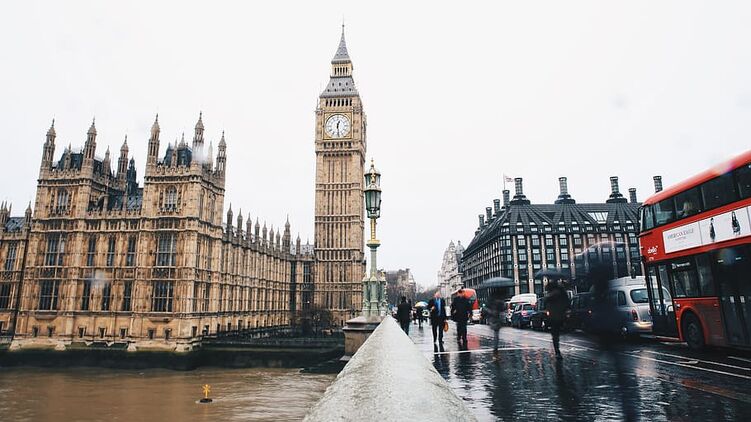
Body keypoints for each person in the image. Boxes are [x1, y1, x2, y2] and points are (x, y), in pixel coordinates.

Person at [544, 279, 570, 359]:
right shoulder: (562, 292)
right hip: (560, 314)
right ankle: (558, 351)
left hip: (554, 315)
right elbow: (567, 302)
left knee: (555, 335)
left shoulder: (550, 295)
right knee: (557, 333)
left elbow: (546, 302)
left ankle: (557, 351)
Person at [482, 291, 505, 359]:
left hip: (495, 319)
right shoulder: (494, 302)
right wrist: (492, 312)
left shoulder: (494, 302)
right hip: (494, 320)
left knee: (496, 336)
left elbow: (502, 309)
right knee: (496, 336)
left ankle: (495, 352)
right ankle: (495, 352)